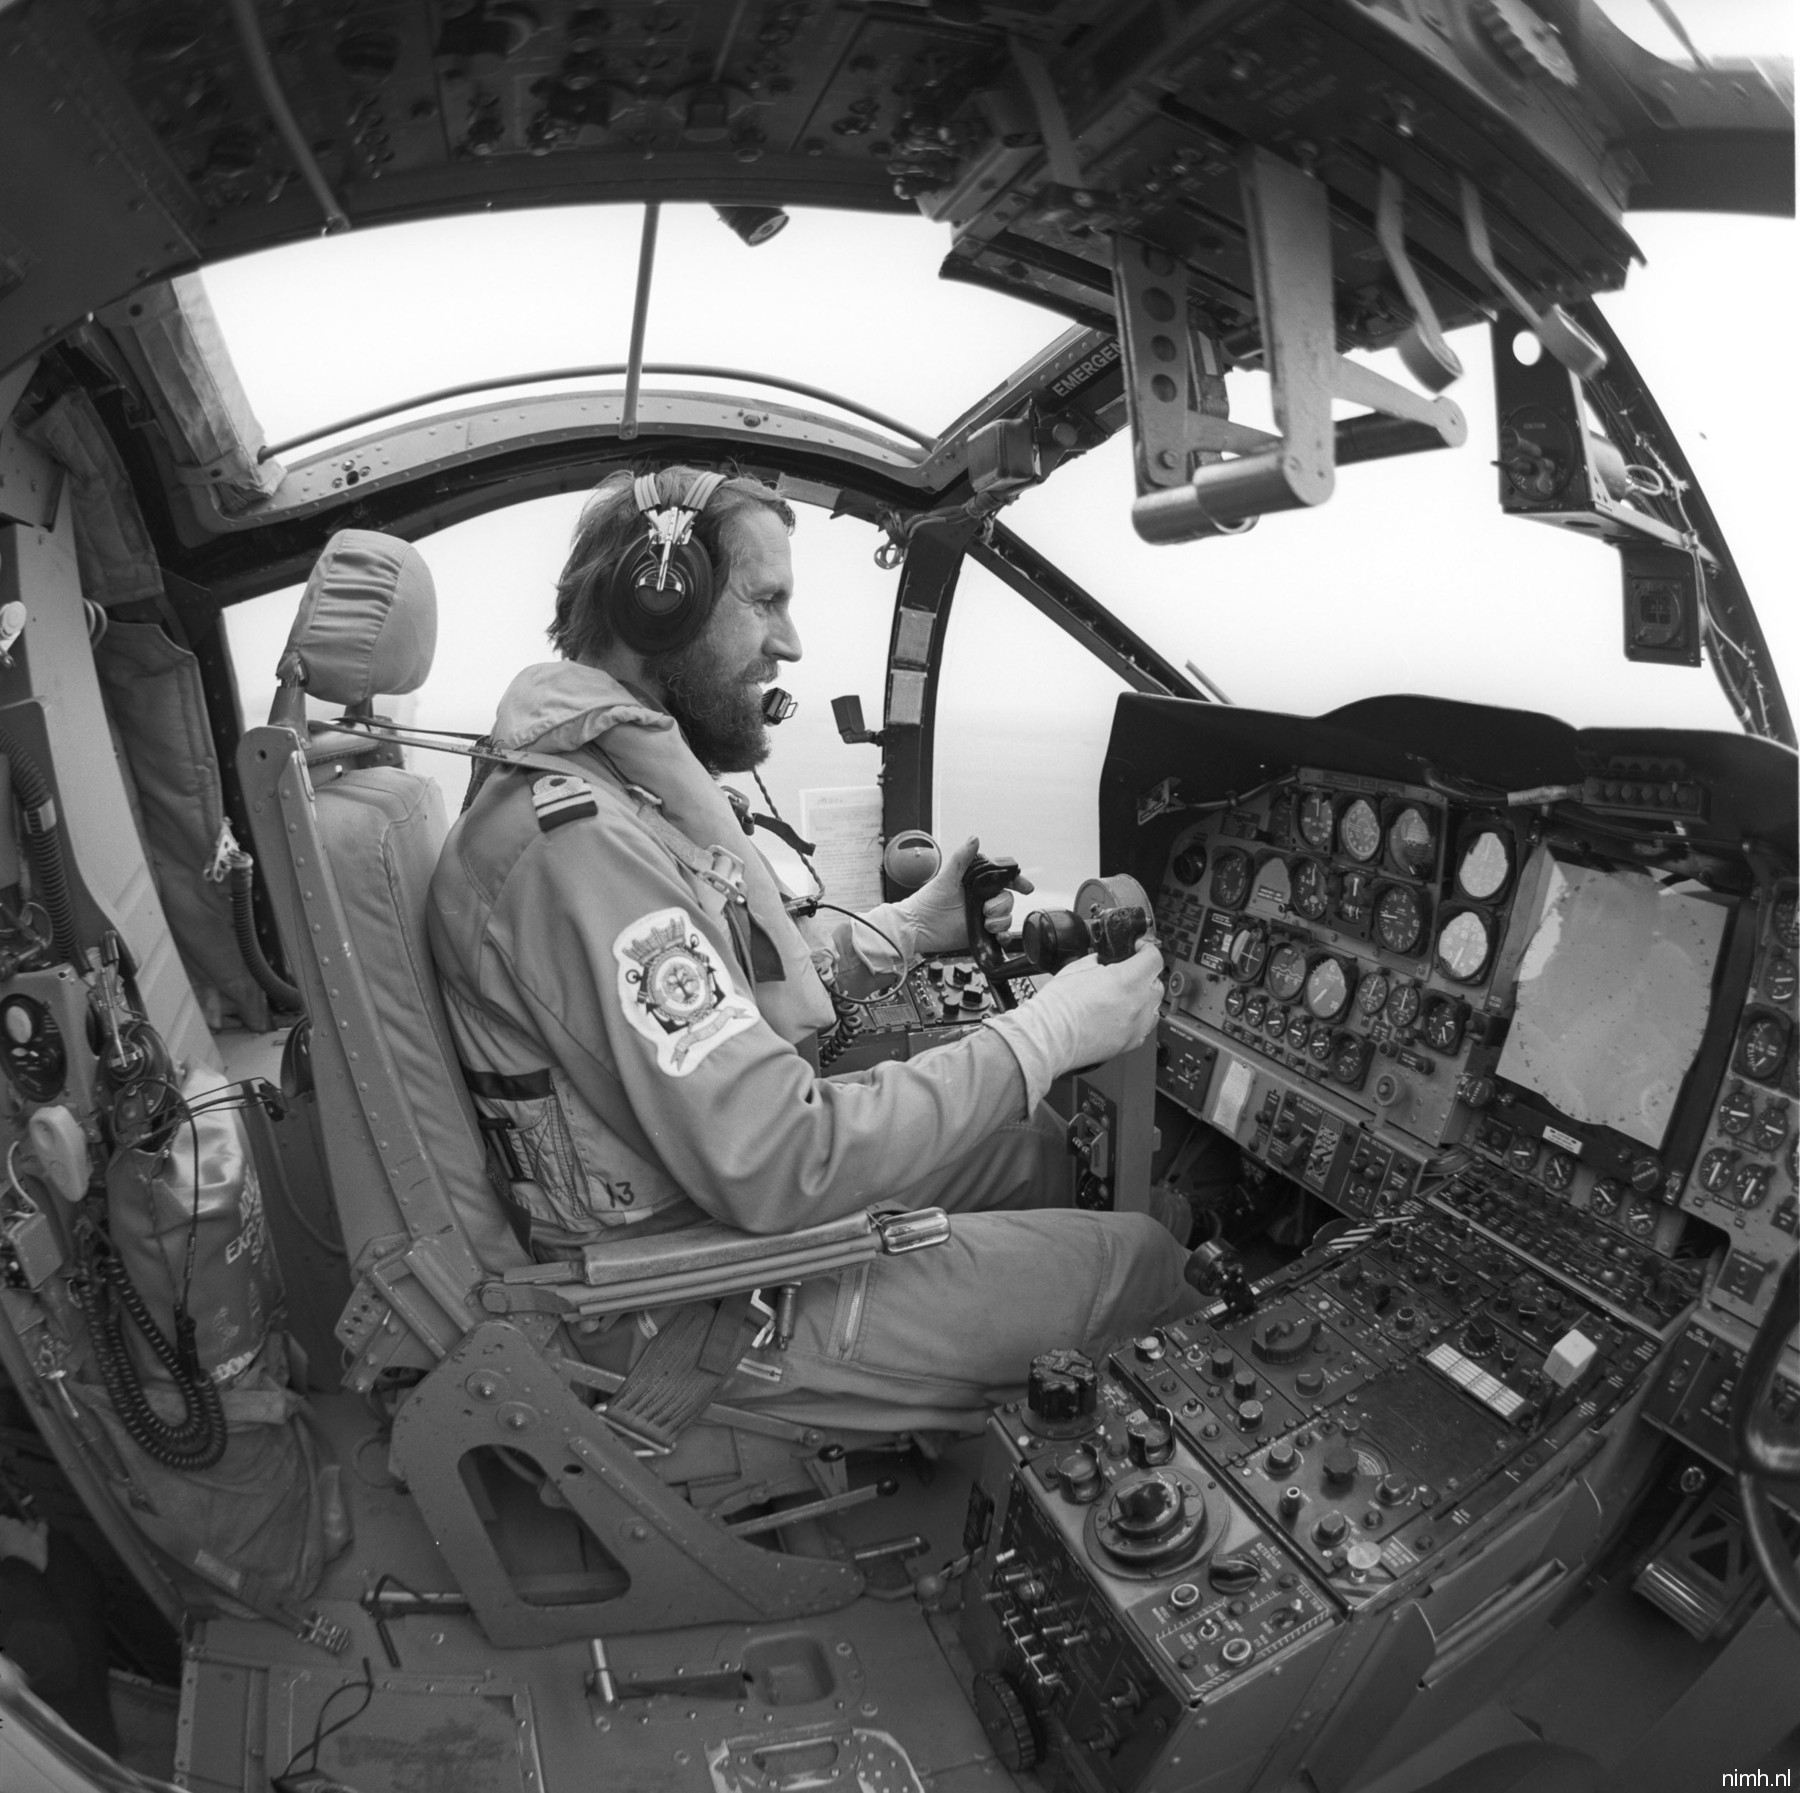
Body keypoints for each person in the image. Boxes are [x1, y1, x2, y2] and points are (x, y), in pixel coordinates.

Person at [427, 466, 1203, 1436]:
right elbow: (784, 1157)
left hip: (703, 1189)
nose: (789, 641)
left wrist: (906, 931)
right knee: (1138, 1259)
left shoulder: (607, 804)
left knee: (1040, 1152)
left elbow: (721, 999)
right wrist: (1043, 1034)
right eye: (765, 601)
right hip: (694, 1290)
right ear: (657, 597)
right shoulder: (579, 850)